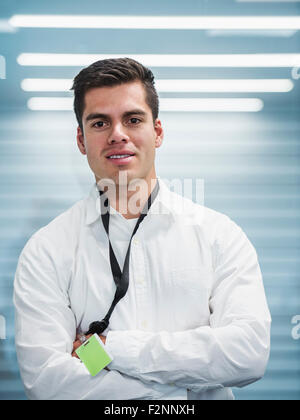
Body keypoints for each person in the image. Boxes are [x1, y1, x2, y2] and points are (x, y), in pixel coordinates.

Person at [13, 57, 271, 400]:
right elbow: (47, 382)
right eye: (100, 122)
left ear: (158, 131)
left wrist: (109, 349)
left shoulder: (219, 236)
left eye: (133, 119)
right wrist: (185, 389)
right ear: (81, 139)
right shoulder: (46, 250)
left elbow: (248, 355)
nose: (118, 134)